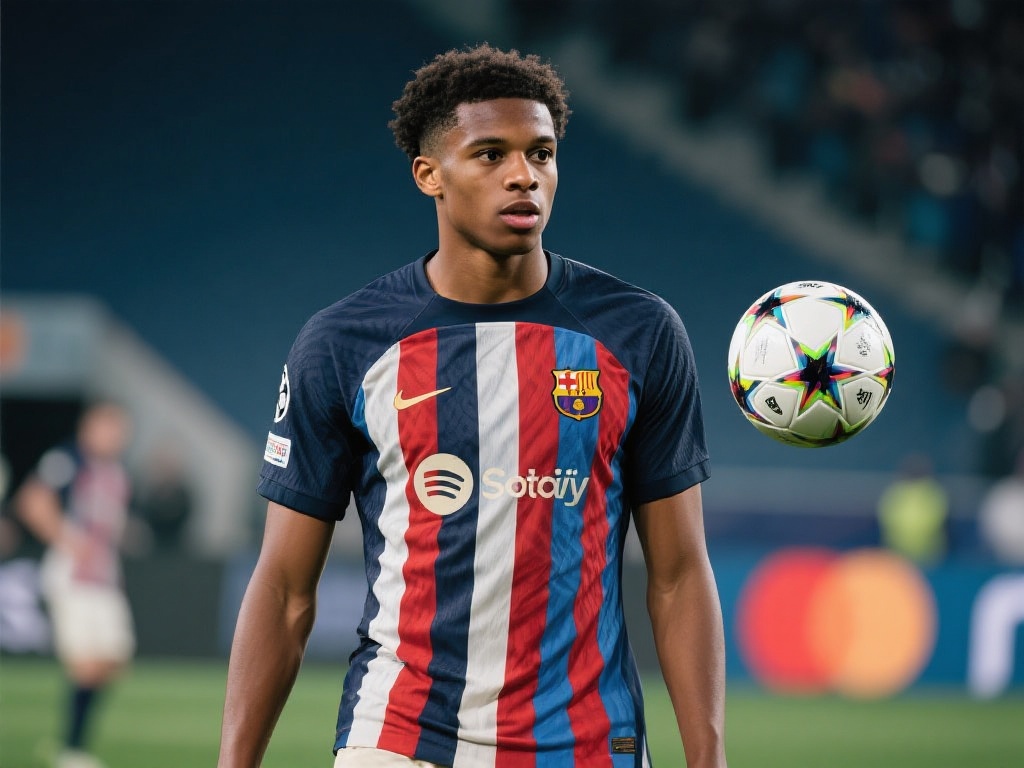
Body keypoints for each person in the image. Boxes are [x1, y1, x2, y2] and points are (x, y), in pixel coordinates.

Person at [218, 44, 727, 768]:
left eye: (541, 153)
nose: (524, 175)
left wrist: (709, 756)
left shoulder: (639, 332)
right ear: (429, 174)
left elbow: (677, 576)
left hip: (587, 744)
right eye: (491, 154)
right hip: (399, 738)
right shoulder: (343, 344)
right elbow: (283, 589)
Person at [13, 401, 135, 768]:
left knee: (113, 658)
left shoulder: (116, 471)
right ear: (89, 427)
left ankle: (71, 743)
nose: (116, 436)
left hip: (105, 574)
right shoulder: (68, 459)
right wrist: (67, 539)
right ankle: (72, 749)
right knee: (86, 663)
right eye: (109, 427)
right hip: (74, 574)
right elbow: (32, 501)